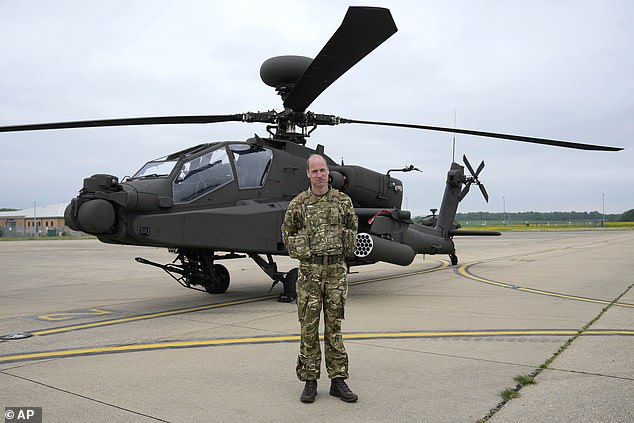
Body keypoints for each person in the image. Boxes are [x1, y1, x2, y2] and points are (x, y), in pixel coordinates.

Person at [282, 153, 359, 403]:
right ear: (308, 174)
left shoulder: (342, 201)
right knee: (309, 328)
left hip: (336, 270)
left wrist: (342, 244)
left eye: (323, 170)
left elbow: (352, 226)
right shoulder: (298, 204)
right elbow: (287, 233)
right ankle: (310, 381)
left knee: (334, 327)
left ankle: (338, 380)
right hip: (309, 273)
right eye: (314, 171)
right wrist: (303, 249)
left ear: (328, 172)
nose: (319, 175)